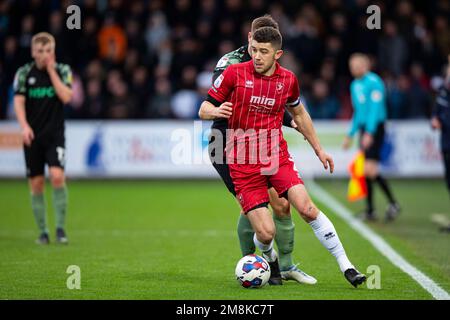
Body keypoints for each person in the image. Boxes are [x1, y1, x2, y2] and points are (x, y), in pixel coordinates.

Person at [199, 27, 366, 287]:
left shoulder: (287, 80)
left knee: (305, 208)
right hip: (239, 159)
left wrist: (319, 149)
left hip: (274, 157)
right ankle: (268, 259)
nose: (256, 56)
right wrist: (216, 111)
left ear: (278, 54)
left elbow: (298, 114)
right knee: (265, 231)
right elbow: (205, 107)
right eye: (254, 50)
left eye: (263, 51)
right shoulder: (232, 70)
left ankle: (347, 266)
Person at [204, 15, 316, 285]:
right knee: (251, 207)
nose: (260, 49)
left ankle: (285, 265)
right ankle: (253, 263)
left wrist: (292, 122)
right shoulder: (230, 64)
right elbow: (242, 103)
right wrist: (290, 121)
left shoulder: (271, 64)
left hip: (260, 143)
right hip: (228, 142)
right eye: (257, 41)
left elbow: (270, 104)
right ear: (249, 37)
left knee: (282, 204)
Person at [13, 32, 73, 244]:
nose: (44, 55)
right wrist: (24, 126)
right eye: (40, 51)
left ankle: (60, 229)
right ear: (33, 52)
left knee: (57, 176)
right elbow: (18, 101)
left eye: (48, 51)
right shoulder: (23, 73)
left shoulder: (63, 70)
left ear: (53, 52)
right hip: (33, 136)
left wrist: (51, 71)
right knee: (36, 184)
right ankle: (43, 232)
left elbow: (66, 97)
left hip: (55, 135)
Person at [343, 53, 400, 222]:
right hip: (364, 129)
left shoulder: (374, 82)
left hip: (376, 128)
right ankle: (372, 210)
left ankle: (391, 204)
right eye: (351, 65)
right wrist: (350, 134)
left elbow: (375, 110)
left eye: (356, 65)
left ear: (365, 65)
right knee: (368, 171)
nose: (353, 68)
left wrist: (369, 132)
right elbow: (358, 112)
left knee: (370, 170)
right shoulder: (354, 85)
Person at [431, 57, 450, 197]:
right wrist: (434, 120)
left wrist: (441, 120)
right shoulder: (442, 91)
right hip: (446, 142)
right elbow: (435, 112)